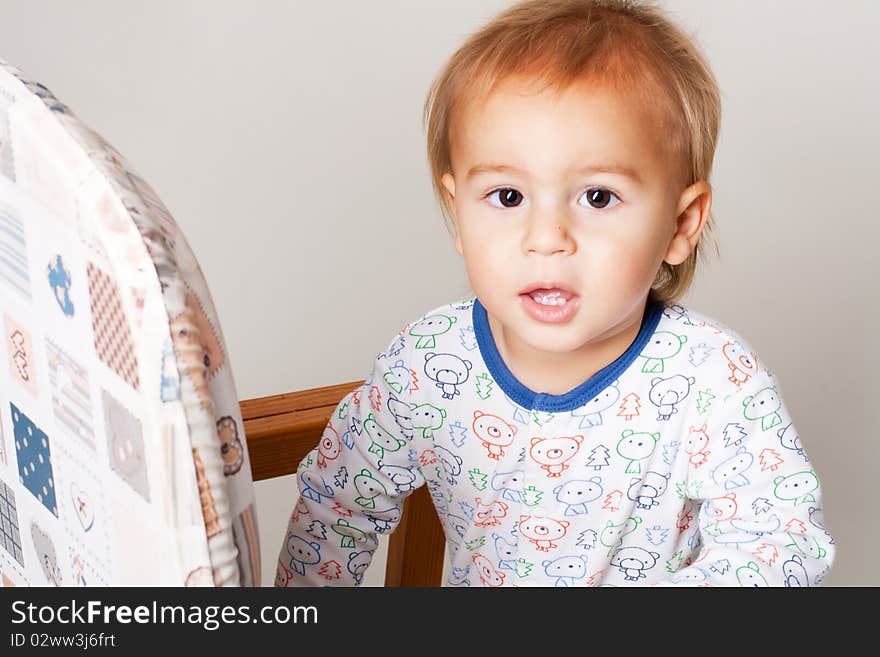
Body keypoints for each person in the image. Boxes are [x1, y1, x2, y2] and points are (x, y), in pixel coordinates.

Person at [275, 0, 835, 587]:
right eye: (508, 197)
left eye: (597, 197)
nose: (546, 239)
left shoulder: (711, 380)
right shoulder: (427, 365)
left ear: (679, 225)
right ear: (456, 212)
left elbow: (781, 542)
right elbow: (335, 510)